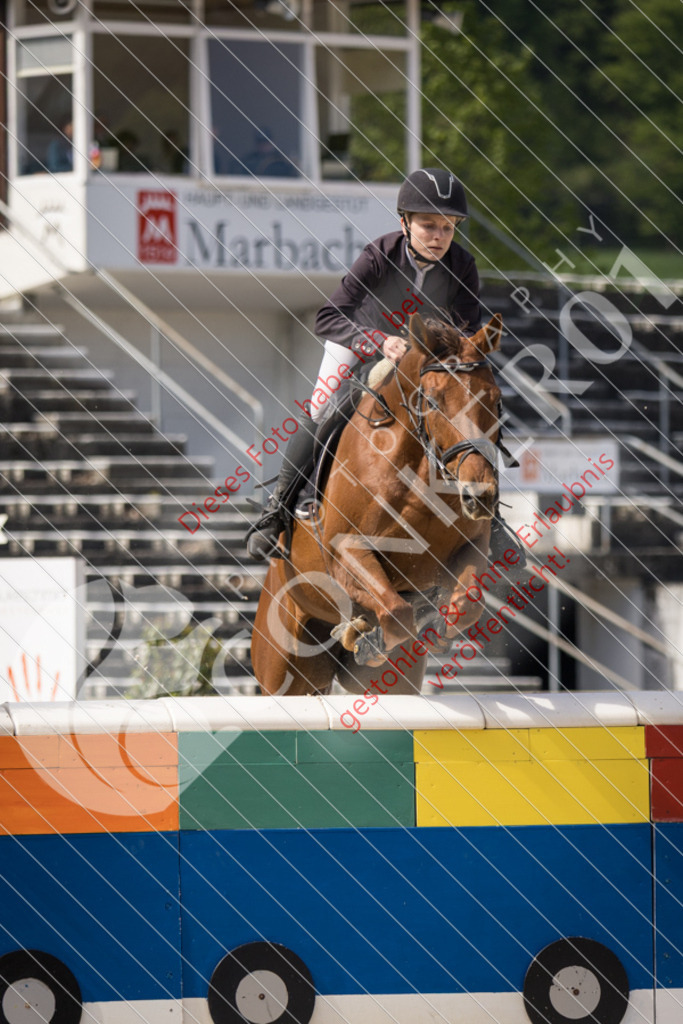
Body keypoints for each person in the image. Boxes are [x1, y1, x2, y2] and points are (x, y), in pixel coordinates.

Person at [247, 167, 510, 563]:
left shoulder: (462, 265)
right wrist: (378, 340)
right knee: (323, 408)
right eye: (428, 226)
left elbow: (467, 328)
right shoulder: (379, 255)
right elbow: (329, 316)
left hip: (425, 358)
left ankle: (495, 519)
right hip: (362, 344)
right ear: (405, 222)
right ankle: (277, 510)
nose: (438, 236)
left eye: (447, 227)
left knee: (473, 411)